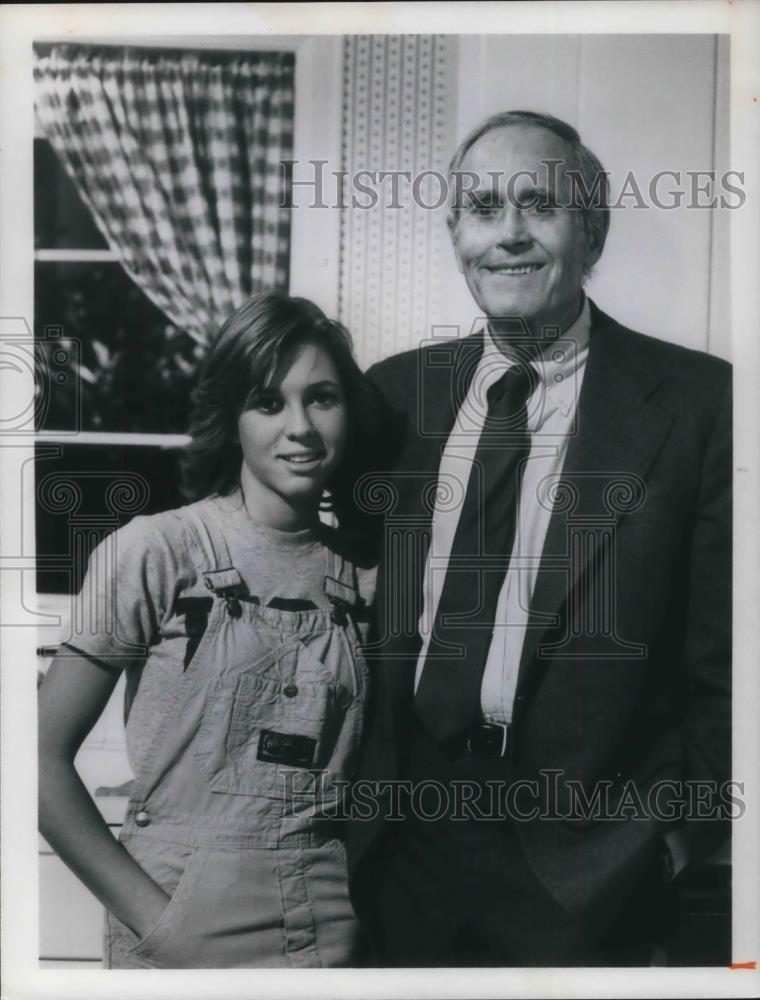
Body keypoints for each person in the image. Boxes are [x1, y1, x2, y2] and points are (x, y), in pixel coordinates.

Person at [347, 111, 732, 966]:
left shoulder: (701, 404)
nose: (510, 235)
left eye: (540, 205)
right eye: (484, 209)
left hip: (591, 867)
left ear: (591, 227)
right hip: (404, 847)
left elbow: (728, 657)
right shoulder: (394, 397)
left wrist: (680, 833)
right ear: (455, 237)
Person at [38, 292, 382, 968]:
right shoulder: (158, 552)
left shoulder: (368, 573)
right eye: (267, 402)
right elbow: (31, 761)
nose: (300, 428)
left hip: (327, 932)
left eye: (321, 397)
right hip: (177, 925)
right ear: (231, 416)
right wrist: (159, 922)